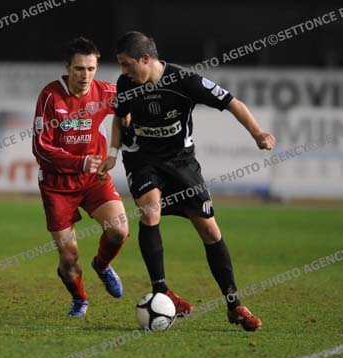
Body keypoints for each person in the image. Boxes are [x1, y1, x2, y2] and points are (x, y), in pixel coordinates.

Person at [98, 31, 274, 331]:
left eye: (127, 64)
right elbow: (119, 117)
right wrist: (113, 153)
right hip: (143, 159)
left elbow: (232, 102)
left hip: (181, 163)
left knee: (209, 230)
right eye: (121, 65)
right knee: (150, 210)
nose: (123, 71)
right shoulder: (126, 84)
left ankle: (234, 305)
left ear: (146, 59)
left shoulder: (185, 81)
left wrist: (258, 133)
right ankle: (162, 290)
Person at [32, 37, 130, 318]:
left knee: (119, 230)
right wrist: (80, 162)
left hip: (93, 179)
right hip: (57, 184)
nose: (85, 75)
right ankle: (80, 299)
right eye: (79, 68)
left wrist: (123, 130)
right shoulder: (51, 96)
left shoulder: (105, 91)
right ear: (67, 68)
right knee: (69, 257)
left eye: (91, 68)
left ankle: (102, 264)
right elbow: (40, 147)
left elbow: (128, 108)